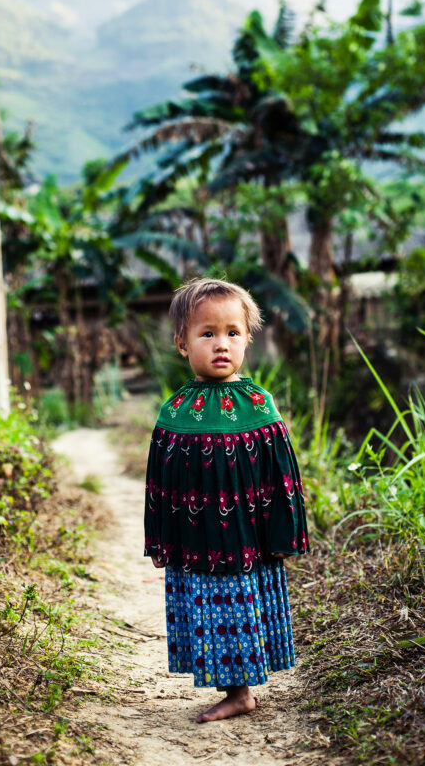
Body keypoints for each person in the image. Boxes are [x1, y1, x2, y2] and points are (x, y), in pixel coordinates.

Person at [144, 277, 309, 724]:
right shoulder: (176, 410)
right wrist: (160, 539)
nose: (222, 344)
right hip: (197, 541)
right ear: (182, 343)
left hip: (248, 540)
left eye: (233, 333)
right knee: (210, 607)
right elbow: (160, 483)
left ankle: (240, 693)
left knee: (236, 606)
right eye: (208, 333)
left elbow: (283, 479)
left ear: (248, 339)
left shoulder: (258, 404)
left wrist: (284, 533)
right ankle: (235, 690)